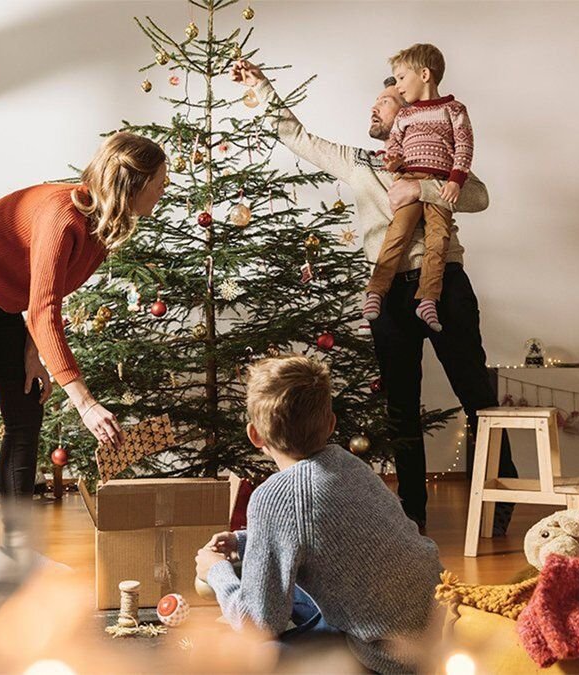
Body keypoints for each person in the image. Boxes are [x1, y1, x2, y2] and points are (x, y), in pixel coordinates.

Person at [230, 59, 516, 534]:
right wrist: (261, 86)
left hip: (445, 283)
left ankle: (501, 504)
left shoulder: (445, 164)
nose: (375, 109)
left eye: (386, 103)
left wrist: (421, 185)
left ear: (410, 116)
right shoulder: (357, 161)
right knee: (401, 404)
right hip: (388, 295)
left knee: (477, 394)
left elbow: (479, 196)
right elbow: (298, 136)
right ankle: (413, 514)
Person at [0, 132, 166, 581]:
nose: (164, 190)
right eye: (160, 182)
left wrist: (34, 353)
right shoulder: (63, 213)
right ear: (135, 181)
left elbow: (47, 293)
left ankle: (18, 547)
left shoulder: (103, 229)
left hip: (0, 304)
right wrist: (85, 402)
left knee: (26, 408)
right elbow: (44, 308)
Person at [195, 356, 443, 674]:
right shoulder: (349, 464)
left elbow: (259, 624)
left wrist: (216, 572)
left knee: (239, 653)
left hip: (390, 659)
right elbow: (323, 532)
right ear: (331, 424)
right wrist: (245, 540)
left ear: (255, 435)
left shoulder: (273, 497)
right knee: (291, 585)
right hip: (436, 625)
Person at [365, 43, 474, 333]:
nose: (399, 86)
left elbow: (464, 146)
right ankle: (376, 290)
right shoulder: (404, 117)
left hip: (438, 184)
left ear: (424, 74)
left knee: (438, 239)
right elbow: (396, 146)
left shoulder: (453, 109)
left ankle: (428, 298)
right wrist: (395, 164)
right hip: (409, 176)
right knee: (397, 232)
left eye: (401, 78)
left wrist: (454, 181)